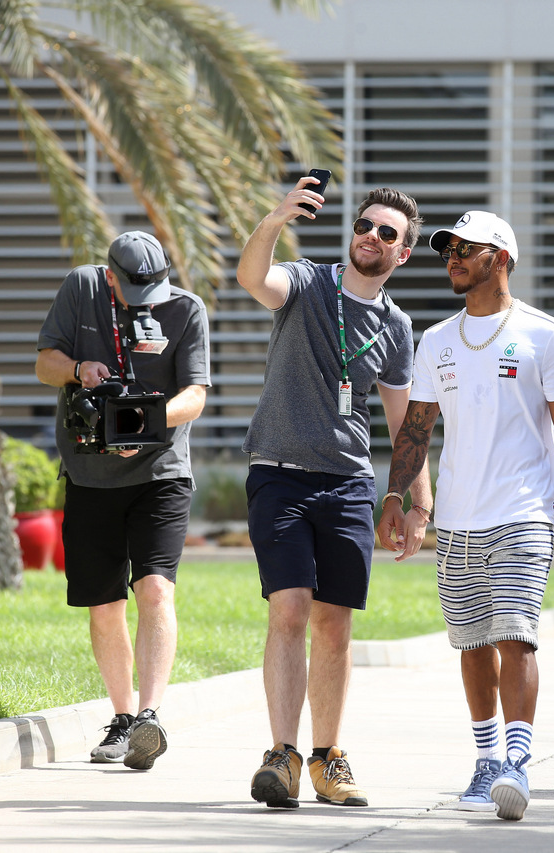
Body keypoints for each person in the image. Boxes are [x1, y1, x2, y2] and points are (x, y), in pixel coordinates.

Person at [376, 210, 554, 822]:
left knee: (514, 637)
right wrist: (398, 498)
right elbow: (415, 430)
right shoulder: (437, 340)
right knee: (472, 644)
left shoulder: (543, 335)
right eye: (447, 248)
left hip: (524, 514)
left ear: (501, 258)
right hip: (457, 519)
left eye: (466, 249)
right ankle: (486, 761)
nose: (452, 256)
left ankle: (519, 765)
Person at [236, 178, 432, 810]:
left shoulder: (398, 328)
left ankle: (327, 759)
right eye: (364, 226)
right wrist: (275, 218)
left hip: (348, 484)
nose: (370, 237)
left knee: (334, 624)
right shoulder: (307, 283)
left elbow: (407, 426)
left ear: (402, 254)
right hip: (280, 473)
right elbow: (251, 279)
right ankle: (281, 756)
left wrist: (413, 501)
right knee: (289, 609)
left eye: (386, 233)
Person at [36, 230, 211, 770]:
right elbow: (45, 363)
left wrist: (147, 420)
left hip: (160, 472)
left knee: (155, 589)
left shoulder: (186, 308)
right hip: (90, 474)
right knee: (105, 602)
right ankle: (121, 719)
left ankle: (150, 717)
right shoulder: (82, 287)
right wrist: (77, 370)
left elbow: (196, 395)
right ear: (110, 275)